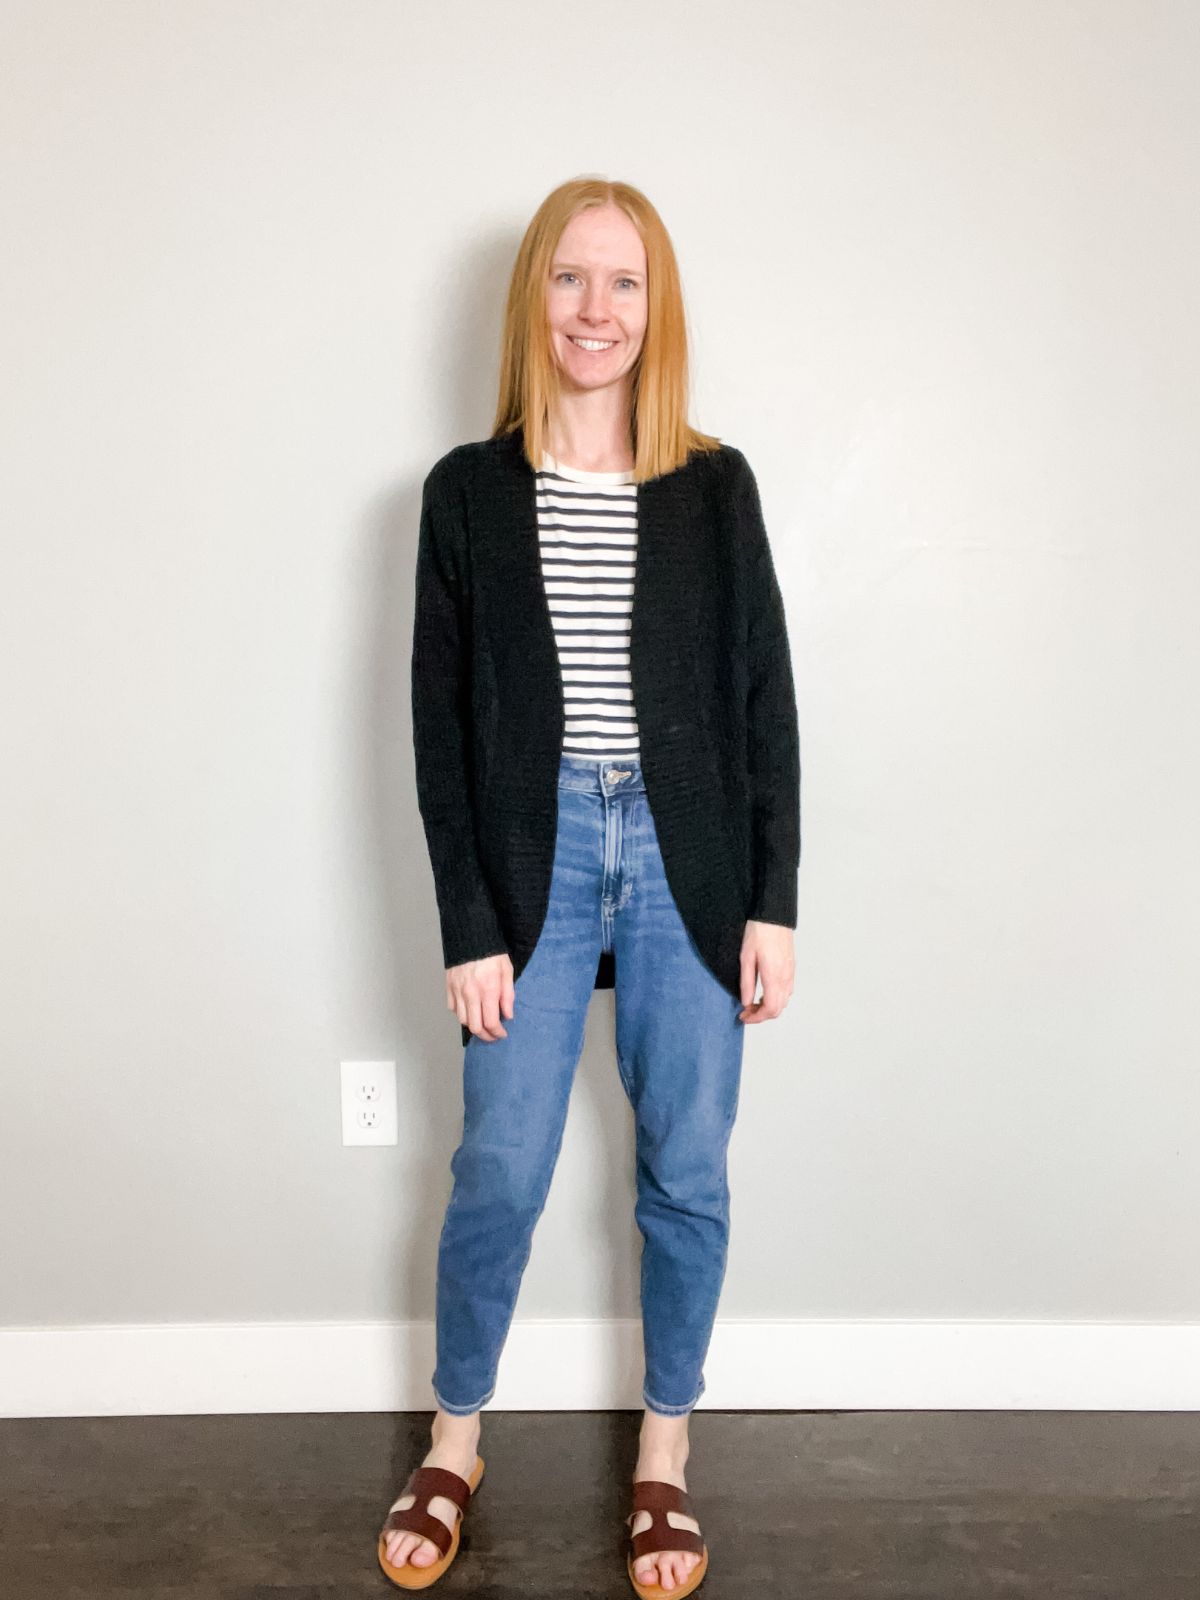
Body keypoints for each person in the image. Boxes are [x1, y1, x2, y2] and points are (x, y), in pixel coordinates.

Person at [378, 176, 800, 1598]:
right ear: (534, 302)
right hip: (534, 854)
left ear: (655, 307)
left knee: (687, 1165)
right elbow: (437, 730)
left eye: (623, 284)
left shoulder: (713, 486)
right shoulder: (465, 496)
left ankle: (664, 1457)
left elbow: (763, 701)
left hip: (690, 859)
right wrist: (470, 921)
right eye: (571, 281)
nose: (596, 312)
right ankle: (453, 1441)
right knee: (500, 1165)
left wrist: (774, 900)